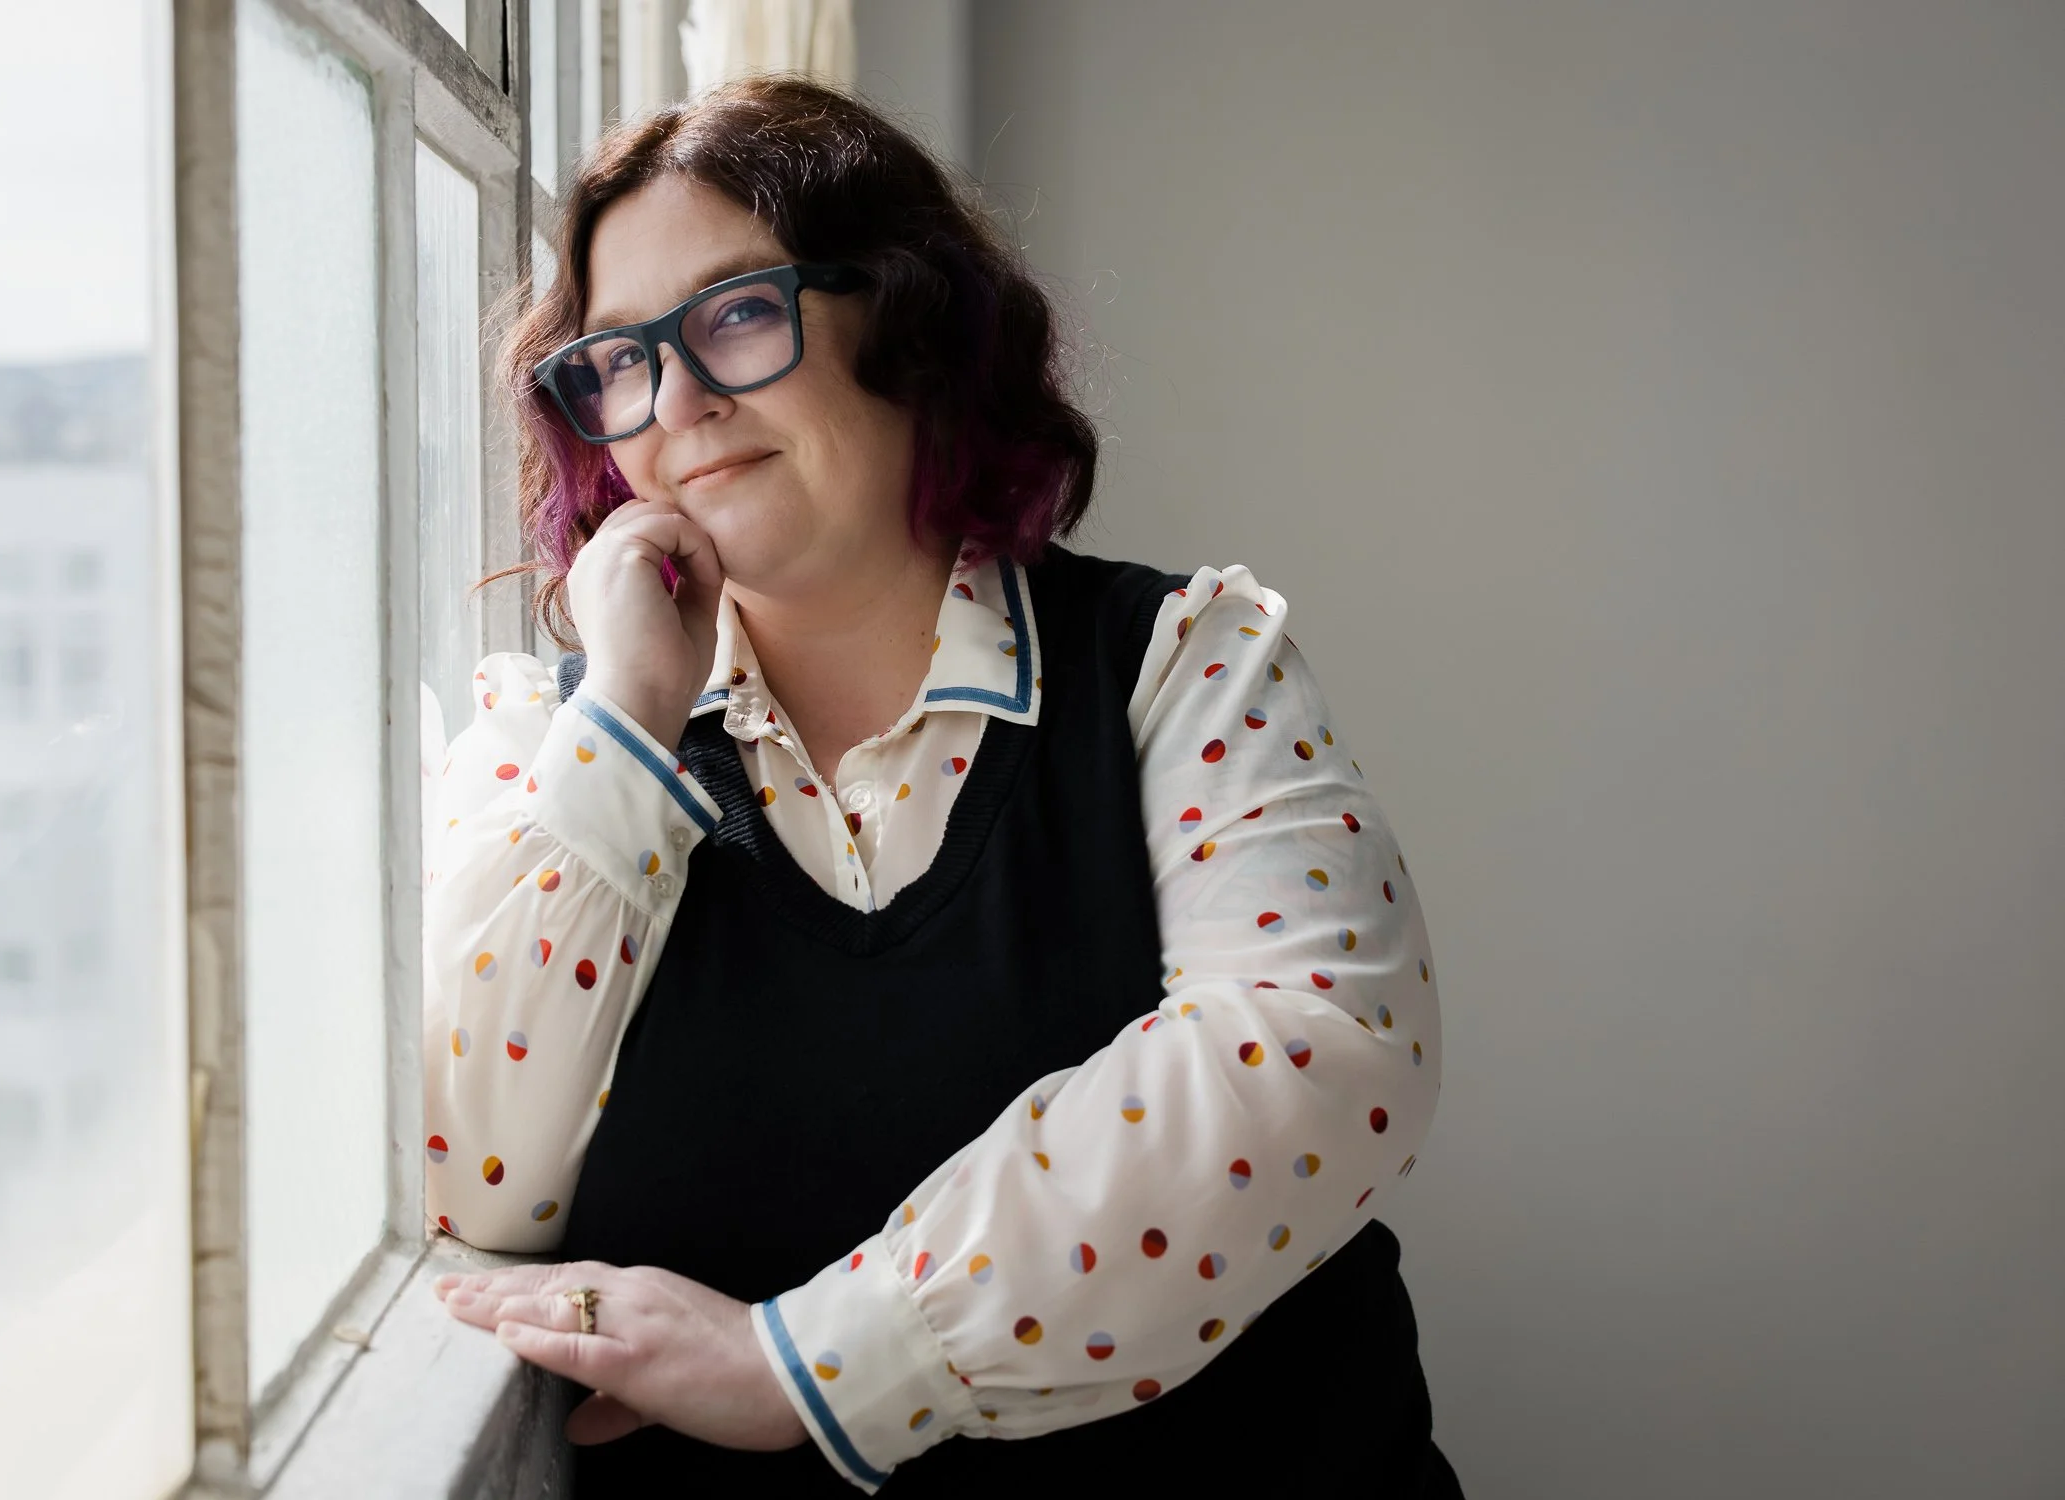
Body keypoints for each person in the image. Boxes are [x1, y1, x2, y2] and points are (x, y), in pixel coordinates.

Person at [421, 75, 1461, 1497]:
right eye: (619, 360)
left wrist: (807, 1366)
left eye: (736, 315)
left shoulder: (1177, 665)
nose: (678, 401)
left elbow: (1316, 1050)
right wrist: (631, 712)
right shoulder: (555, 746)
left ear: (910, 325)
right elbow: (468, 1175)